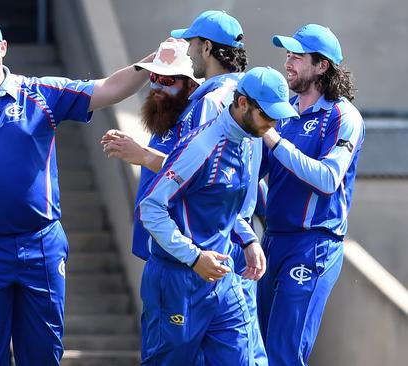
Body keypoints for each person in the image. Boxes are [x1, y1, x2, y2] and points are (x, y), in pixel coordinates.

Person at [0, 14, 153, 365]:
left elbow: (108, 88)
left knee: (43, 354)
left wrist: (157, 61)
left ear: (3, 48)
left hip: (40, 244)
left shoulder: (40, 92)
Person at [138, 66, 298, 365]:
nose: (272, 125)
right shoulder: (201, 146)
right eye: (267, 115)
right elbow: (151, 208)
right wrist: (195, 257)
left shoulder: (249, 140)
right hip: (178, 280)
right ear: (242, 104)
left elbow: (225, 206)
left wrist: (249, 241)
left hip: (222, 277)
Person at [257, 24, 365, 366]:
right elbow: (256, 175)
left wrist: (274, 140)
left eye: (297, 56)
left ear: (322, 66)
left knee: (283, 356)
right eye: (287, 54)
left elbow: (329, 178)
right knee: (255, 352)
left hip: (313, 245)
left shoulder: (343, 116)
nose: (288, 62)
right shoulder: (284, 111)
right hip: (272, 240)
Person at [100, 39, 202, 261]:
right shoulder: (165, 113)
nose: (156, 86)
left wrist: (144, 155)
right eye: (153, 77)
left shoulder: (198, 119)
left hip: (184, 256)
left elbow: (199, 176)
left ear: (192, 85)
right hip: (156, 254)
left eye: (166, 79)